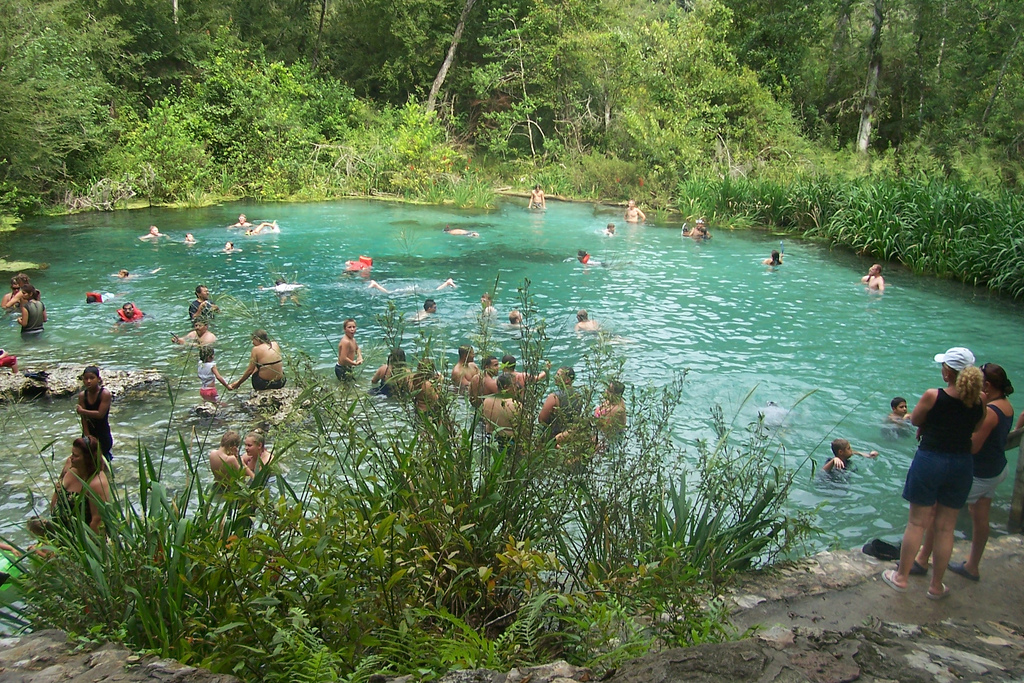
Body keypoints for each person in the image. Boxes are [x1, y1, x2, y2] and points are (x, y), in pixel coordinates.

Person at [883, 347, 985, 599]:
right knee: (945, 528)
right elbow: (977, 425)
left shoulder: (933, 396)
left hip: (931, 459)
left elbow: (915, 420)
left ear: (948, 372)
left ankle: (901, 577)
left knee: (917, 522)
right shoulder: (980, 400)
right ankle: (936, 586)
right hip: (961, 463)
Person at [914, 363, 1015, 583]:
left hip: (979, 473)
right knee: (981, 517)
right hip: (996, 469)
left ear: (986, 385)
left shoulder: (990, 412)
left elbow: (973, 446)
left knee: (937, 516)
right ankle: (972, 566)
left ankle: (922, 560)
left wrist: (947, 435)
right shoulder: (1005, 406)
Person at [27, 436, 111, 537]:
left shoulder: (96, 483)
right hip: (59, 532)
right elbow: (57, 488)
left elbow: (97, 521)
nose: (71, 458)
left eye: (76, 456)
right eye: (72, 454)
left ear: (88, 459)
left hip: (78, 538)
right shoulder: (69, 465)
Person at [76, 366, 114, 462]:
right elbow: (83, 418)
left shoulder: (104, 394)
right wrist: (87, 436)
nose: (88, 381)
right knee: (88, 460)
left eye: (92, 378)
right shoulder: (82, 395)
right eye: (86, 378)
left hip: (103, 433)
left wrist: (82, 411)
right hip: (89, 432)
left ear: (98, 379)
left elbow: (100, 414)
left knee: (104, 460)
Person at [539, 367, 584, 442]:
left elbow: (541, 419)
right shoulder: (578, 396)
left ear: (567, 380)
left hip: (554, 439)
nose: (555, 377)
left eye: (558, 375)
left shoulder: (553, 397)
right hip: (570, 436)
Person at [482, 374, 521, 447]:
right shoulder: (516, 405)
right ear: (506, 387)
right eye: (514, 384)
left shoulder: (486, 401)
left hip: (490, 439)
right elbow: (524, 432)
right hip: (509, 442)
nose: (517, 386)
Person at [368, 278, 456, 295]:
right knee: (433, 291)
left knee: (389, 292)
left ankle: (376, 285)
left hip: (412, 290)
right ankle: (447, 283)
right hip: (414, 291)